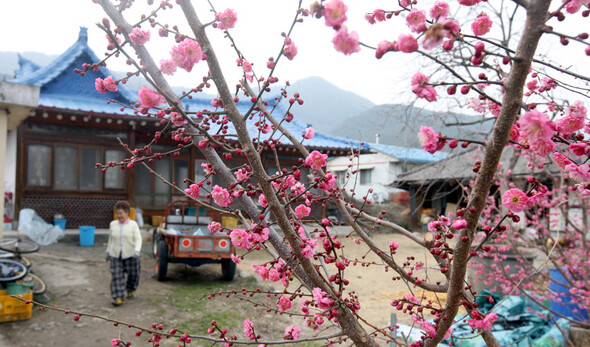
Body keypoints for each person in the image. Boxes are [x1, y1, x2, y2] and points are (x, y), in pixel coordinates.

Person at [106, 201, 142, 306]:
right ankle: (118, 297)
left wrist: (137, 250)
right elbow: (110, 239)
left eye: (121, 213)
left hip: (131, 254)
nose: (119, 215)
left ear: (127, 213)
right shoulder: (113, 224)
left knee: (134, 274)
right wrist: (108, 251)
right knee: (116, 276)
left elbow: (138, 239)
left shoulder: (133, 225)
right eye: (117, 213)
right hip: (115, 254)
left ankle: (130, 289)